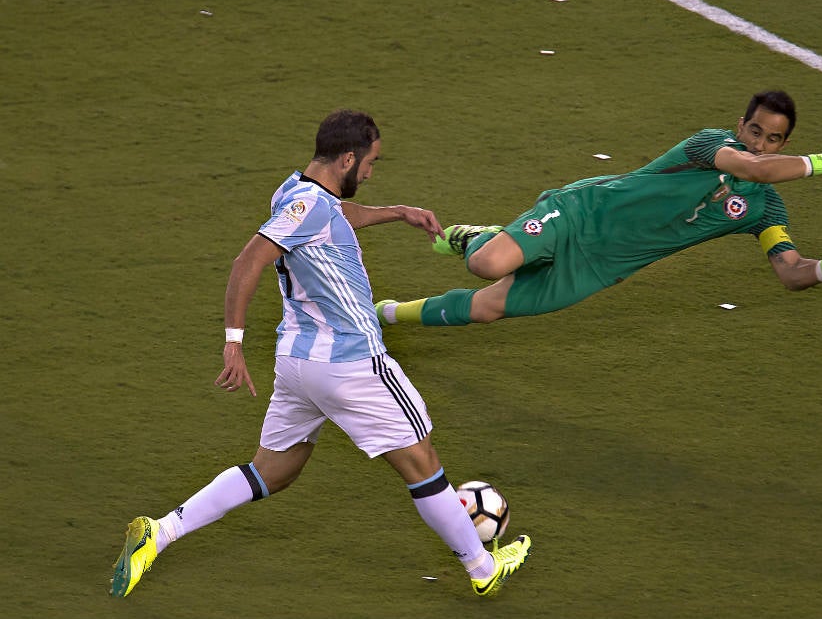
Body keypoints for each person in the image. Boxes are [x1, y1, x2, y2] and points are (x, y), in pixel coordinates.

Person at [109, 110, 531, 600]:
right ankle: (482, 568)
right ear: (348, 158)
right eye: (370, 162)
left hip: (298, 364)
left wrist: (396, 212)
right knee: (422, 461)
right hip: (350, 362)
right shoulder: (308, 205)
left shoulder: (295, 192)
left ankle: (158, 533)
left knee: (273, 470)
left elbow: (334, 215)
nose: (372, 172)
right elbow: (249, 259)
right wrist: (233, 342)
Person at [375, 90, 822, 328]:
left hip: (602, 266)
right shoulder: (707, 145)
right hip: (582, 212)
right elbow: (752, 169)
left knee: (488, 308)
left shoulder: (765, 210)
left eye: (774, 139)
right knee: (485, 263)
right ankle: (480, 235)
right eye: (755, 131)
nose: (762, 144)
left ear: (784, 144)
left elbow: (788, 272)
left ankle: (385, 316)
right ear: (739, 127)